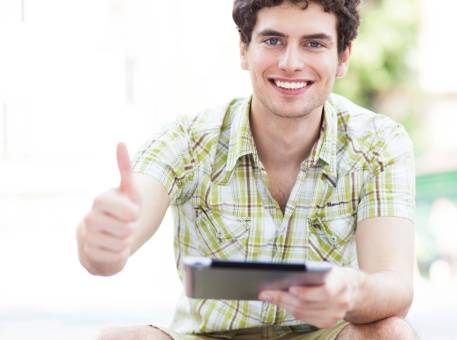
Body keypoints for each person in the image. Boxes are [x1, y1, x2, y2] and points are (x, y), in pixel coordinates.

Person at [76, 0, 417, 339]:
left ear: (343, 58)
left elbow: (396, 288)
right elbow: (114, 243)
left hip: (322, 334)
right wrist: (102, 241)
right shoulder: (188, 140)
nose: (290, 63)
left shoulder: (377, 143)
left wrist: (352, 291)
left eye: (314, 44)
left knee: (391, 333)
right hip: (209, 335)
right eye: (273, 41)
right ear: (244, 50)